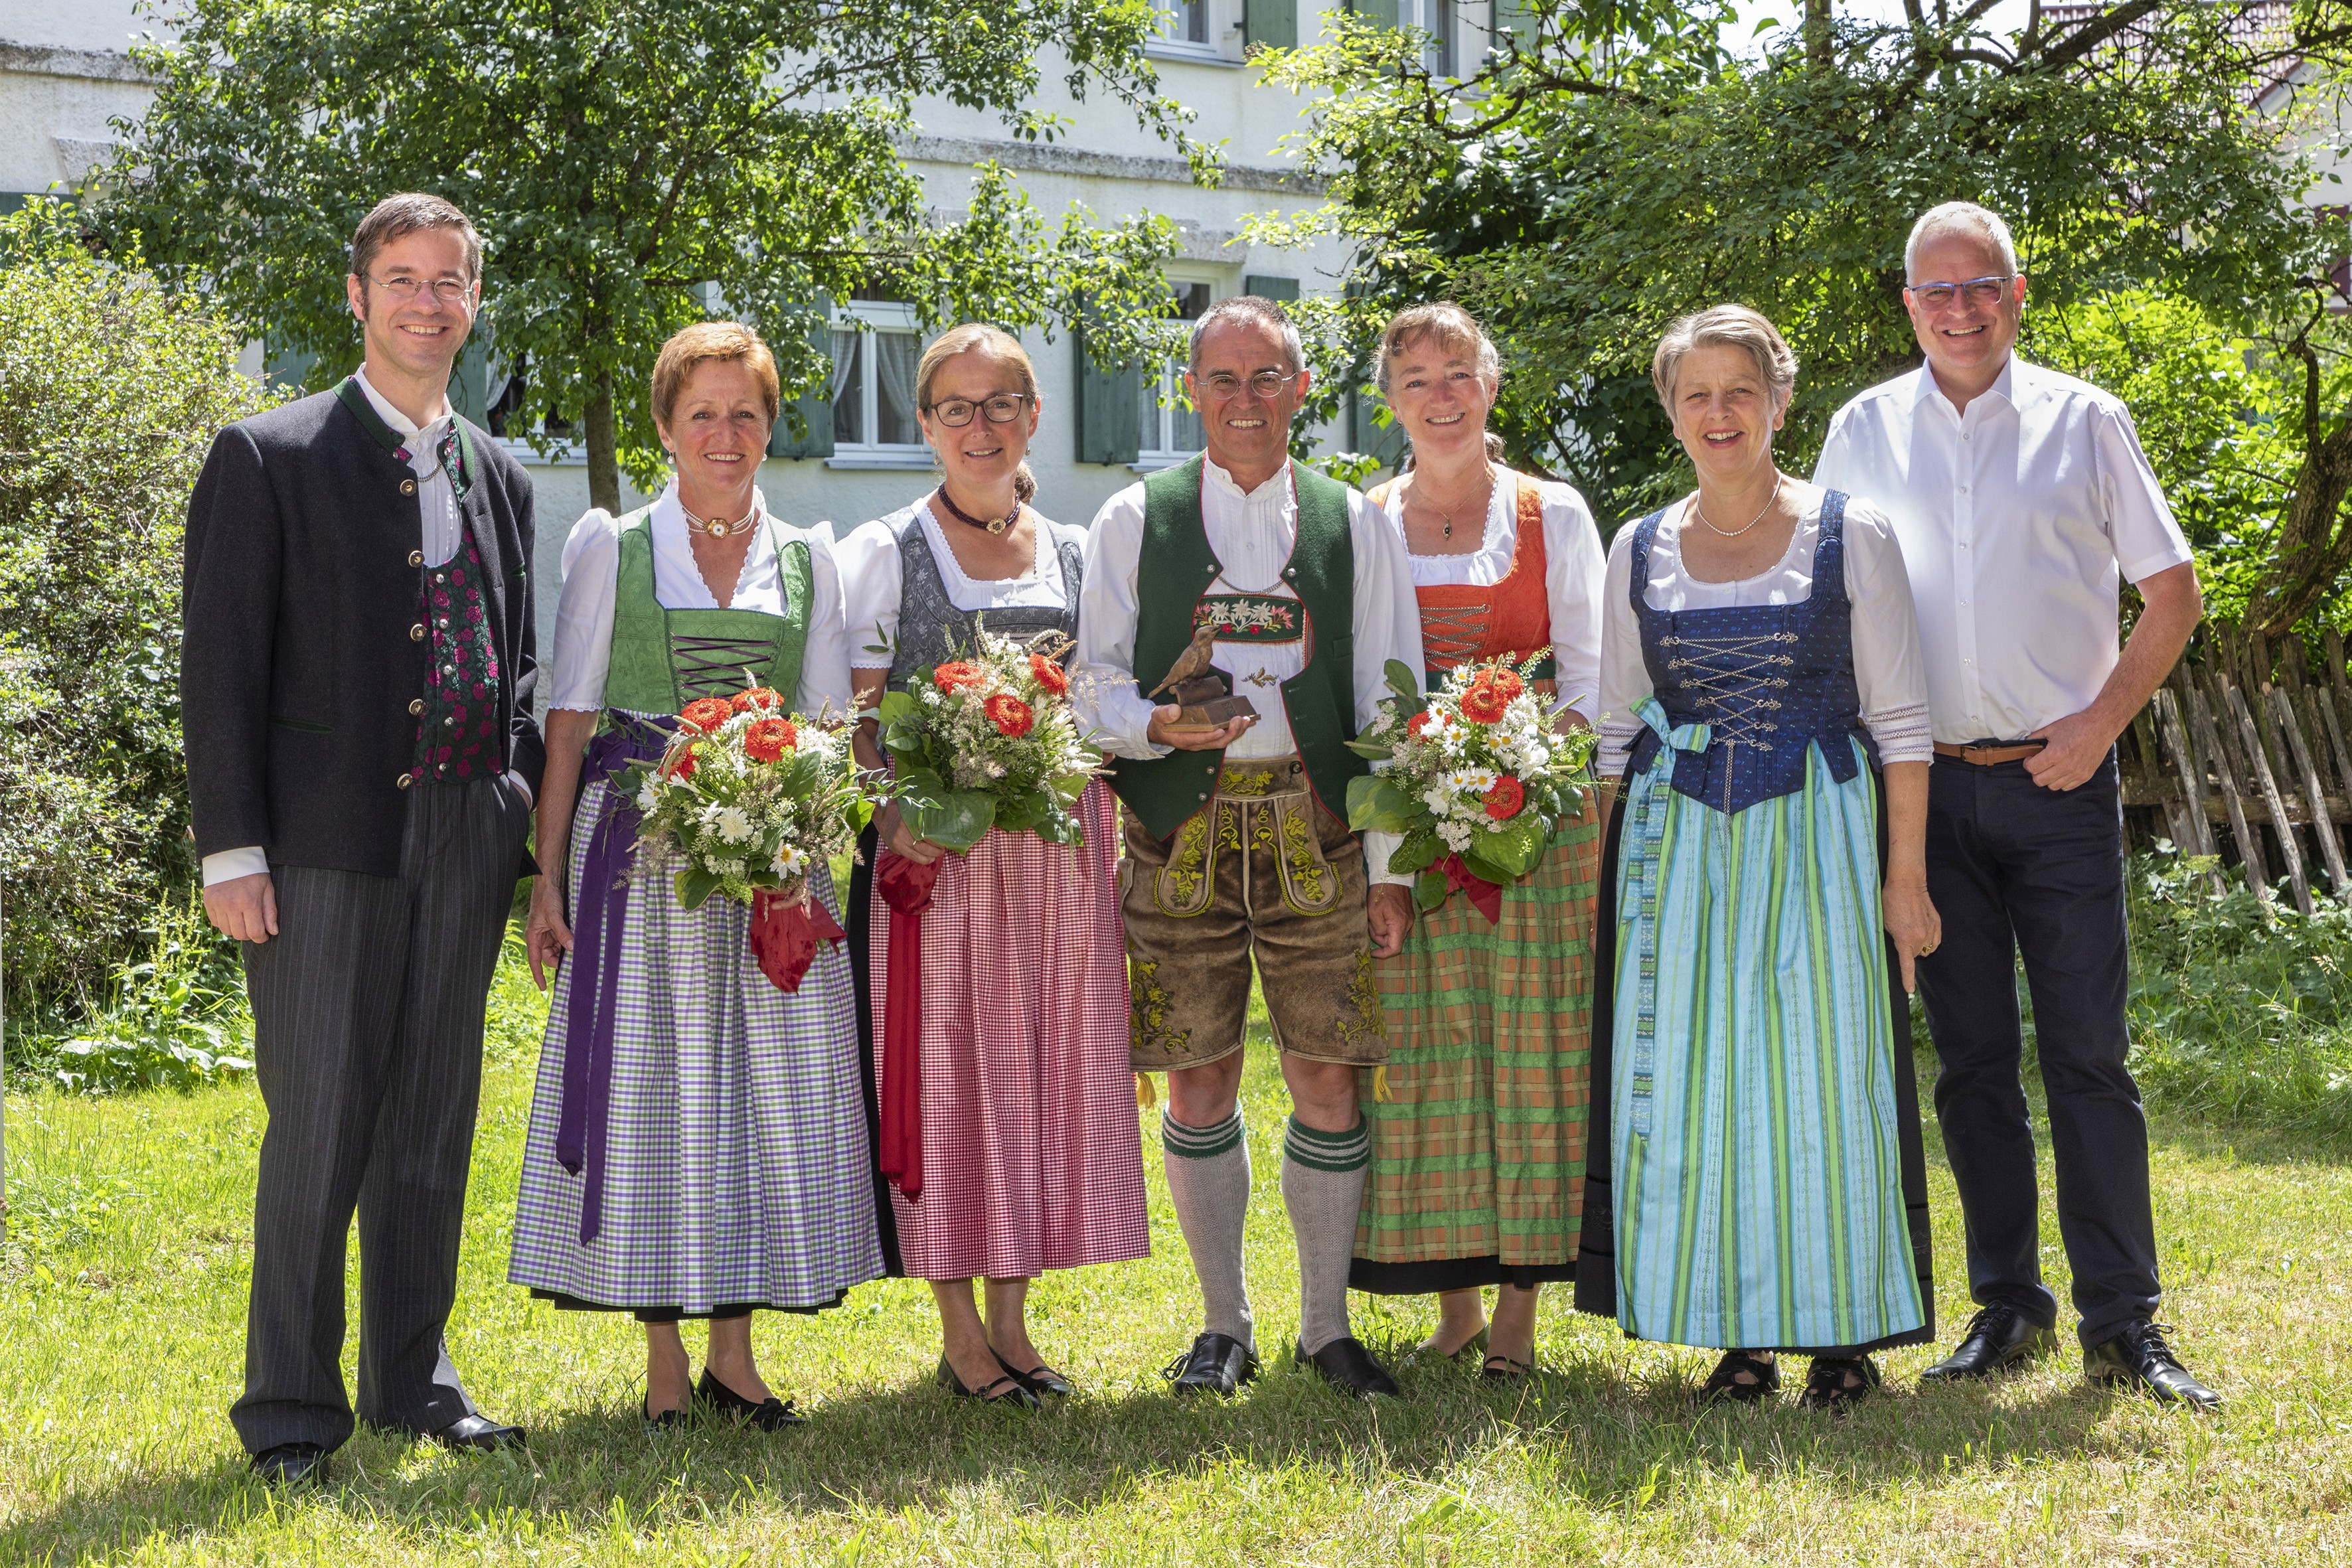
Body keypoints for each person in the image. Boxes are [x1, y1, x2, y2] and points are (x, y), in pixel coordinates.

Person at [1814, 201, 2219, 1408]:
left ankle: (2124, 1320)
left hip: (2058, 786)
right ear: (1908, 305)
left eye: (1978, 286)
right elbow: (1817, 586)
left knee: (2090, 1057)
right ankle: (2008, 1306)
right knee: (1973, 1063)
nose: (1958, 309)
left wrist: (2098, 723)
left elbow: (2174, 591)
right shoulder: (1861, 428)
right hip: (1924, 792)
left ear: (2016, 291)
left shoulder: (2085, 419)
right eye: (1935, 292)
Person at [185, 193, 541, 1484]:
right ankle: (289, 1406)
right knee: (321, 1122)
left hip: (465, 832)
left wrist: (528, 843)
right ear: (356, 295)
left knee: (432, 1122)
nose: (426, 301)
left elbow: (517, 668)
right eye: (402, 277)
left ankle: (413, 1380)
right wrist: (232, 848)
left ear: (472, 301)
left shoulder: (500, 471)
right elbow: (218, 667)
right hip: (324, 840)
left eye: (450, 279)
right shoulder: (267, 454)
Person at [510, 321, 884, 1430]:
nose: (727, 435)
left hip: (770, 852)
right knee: (652, 1089)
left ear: (772, 428)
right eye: (704, 413)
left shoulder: (811, 553)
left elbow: (826, 722)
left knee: (760, 1090)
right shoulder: (613, 547)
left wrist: (803, 847)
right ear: (667, 428)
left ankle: (737, 1353)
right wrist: (545, 881)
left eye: (748, 414)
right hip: (636, 852)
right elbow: (569, 727)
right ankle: (665, 1358)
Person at [1574, 304, 1940, 1411]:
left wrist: (1906, 878)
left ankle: (1842, 1331)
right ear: (1673, 413)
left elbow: (1905, 722)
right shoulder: (1638, 544)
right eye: (1697, 394)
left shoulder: (1849, 532)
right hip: (1680, 841)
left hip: (1820, 834)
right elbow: (1612, 731)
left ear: (1780, 403)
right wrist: (1611, 884)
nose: (1719, 413)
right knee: (1699, 1080)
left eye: (1741, 391)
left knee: (1826, 1078)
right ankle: (1736, 1332)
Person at [1072, 295, 1425, 1401]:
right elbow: (1089, 687)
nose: (1244, 400)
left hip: (1315, 821)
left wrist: (1392, 865)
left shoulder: (1353, 519)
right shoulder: (1135, 518)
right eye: (1222, 380)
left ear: (1302, 390)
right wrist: (1156, 725)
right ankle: (1222, 1322)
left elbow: (1390, 693)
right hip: (1181, 823)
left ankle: (1325, 1323)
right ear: (1190, 393)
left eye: (1266, 377)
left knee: (1328, 1068)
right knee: (1198, 1073)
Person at [836, 323, 1148, 1408]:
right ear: (924, 423)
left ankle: (1016, 1319)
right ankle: (960, 1327)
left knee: (1039, 1072)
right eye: (957, 409)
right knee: (954, 1077)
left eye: (1003, 404)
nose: (981, 427)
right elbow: (857, 723)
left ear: (1034, 415)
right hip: (941, 866)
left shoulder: (1071, 548)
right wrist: (896, 813)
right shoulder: (883, 548)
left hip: (1057, 859)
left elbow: (1099, 698)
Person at [1348, 303, 1607, 1381]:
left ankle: (1517, 1312)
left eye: (1459, 372)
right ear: (1391, 401)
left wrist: (1532, 780)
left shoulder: (1554, 512)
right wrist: (1389, 861)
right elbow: (1365, 692)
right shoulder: (1365, 519)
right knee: (1426, 1058)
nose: (1441, 395)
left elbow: (1593, 676)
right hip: (1413, 828)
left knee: (1534, 1059)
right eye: (1417, 379)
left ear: (1490, 385)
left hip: (1538, 830)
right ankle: (1450, 1300)